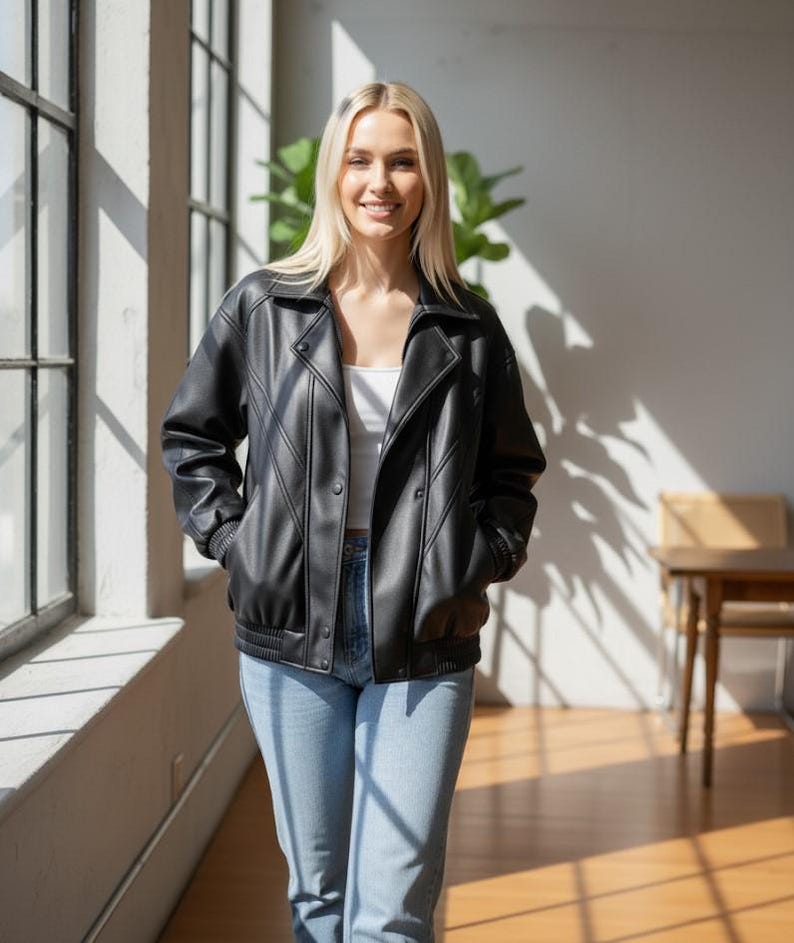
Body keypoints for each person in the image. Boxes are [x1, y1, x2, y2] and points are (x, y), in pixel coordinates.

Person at [161, 80, 546, 943]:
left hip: (423, 627)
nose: (380, 182)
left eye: (402, 162)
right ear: (334, 173)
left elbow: (513, 471)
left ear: (428, 178)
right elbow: (193, 437)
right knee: (319, 897)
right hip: (289, 624)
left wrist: (474, 559)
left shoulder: (469, 328)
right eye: (361, 160)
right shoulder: (265, 305)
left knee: (393, 912)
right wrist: (240, 543)